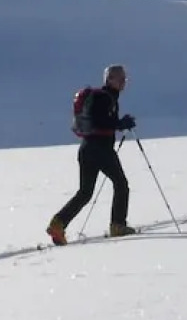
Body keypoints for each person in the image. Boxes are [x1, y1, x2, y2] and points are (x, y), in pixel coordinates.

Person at [47, 64, 137, 244]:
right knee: (121, 184)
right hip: (100, 149)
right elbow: (100, 121)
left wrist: (118, 124)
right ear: (109, 79)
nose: (123, 82)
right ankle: (118, 225)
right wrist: (120, 124)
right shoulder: (104, 98)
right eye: (120, 79)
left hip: (87, 149)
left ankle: (58, 223)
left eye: (124, 79)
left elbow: (99, 121)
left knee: (85, 192)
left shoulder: (103, 97)